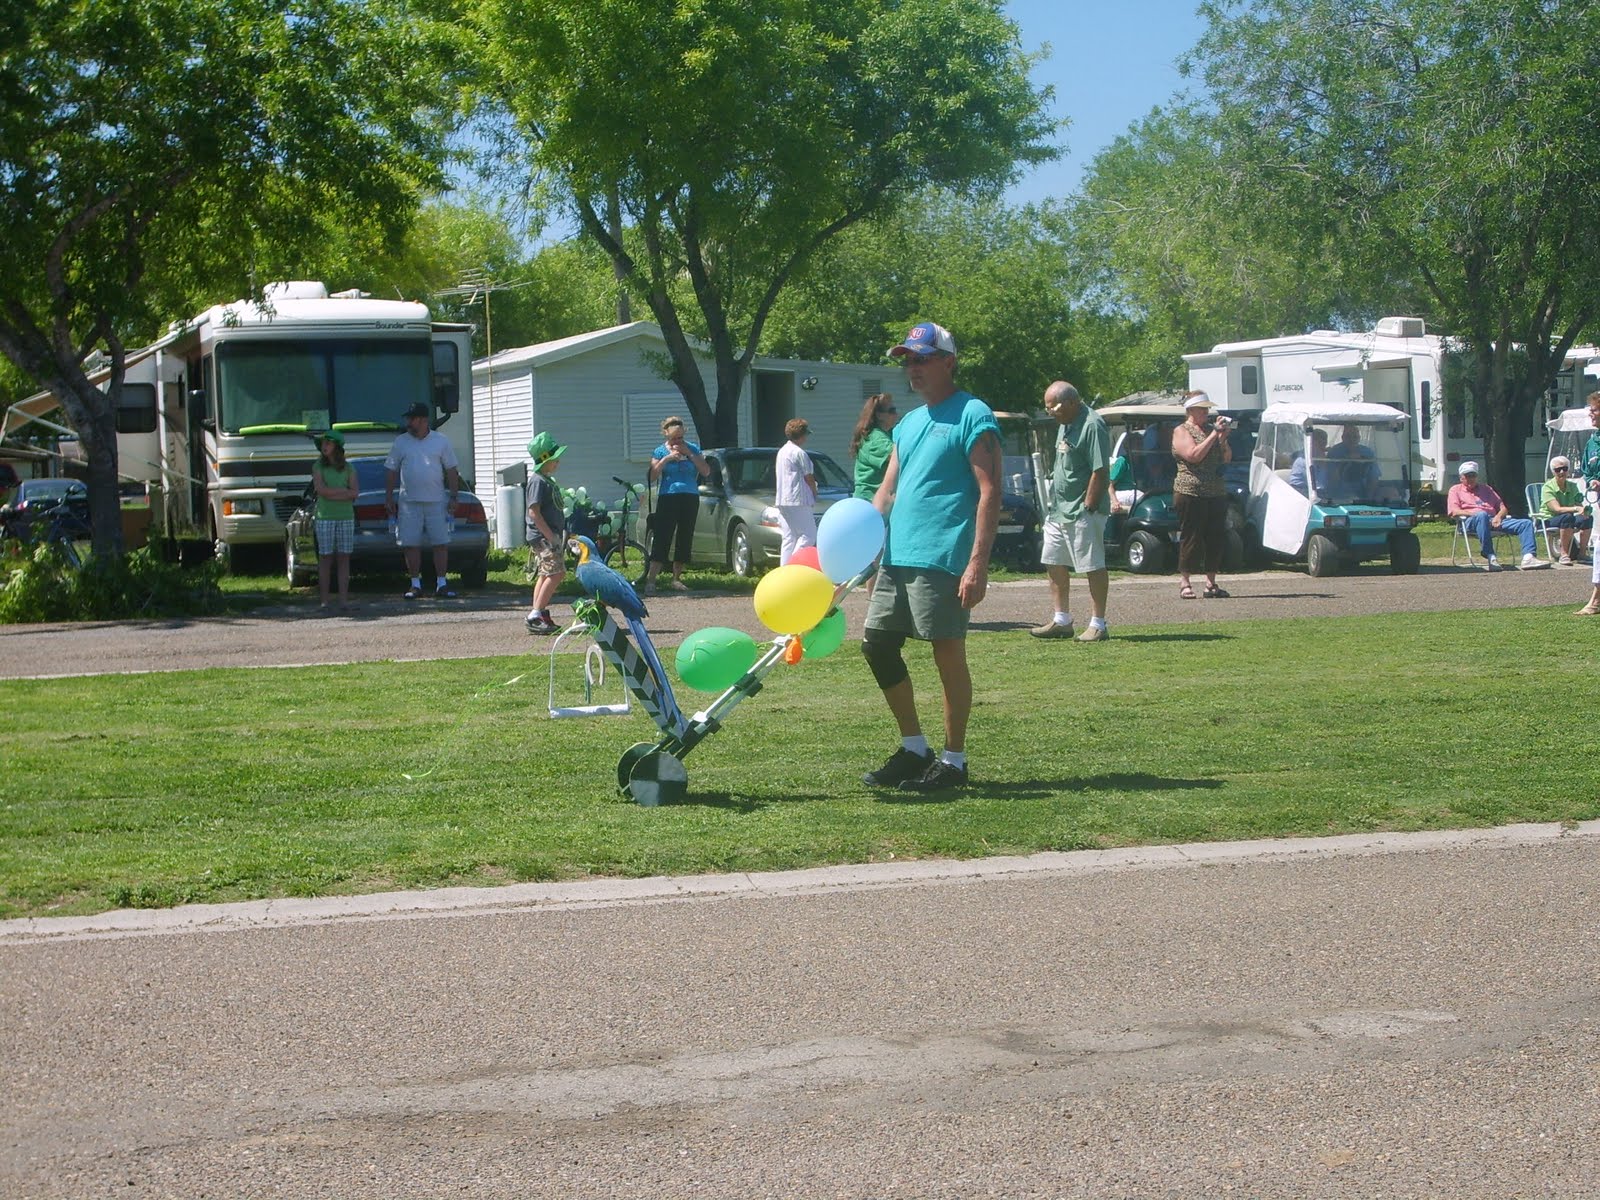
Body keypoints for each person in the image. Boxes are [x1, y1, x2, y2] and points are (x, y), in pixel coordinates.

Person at [861, 320, 1001, 794]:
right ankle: (914, 747)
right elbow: (887, 490)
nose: (913, 368)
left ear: (948, 361)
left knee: (946, 653)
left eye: (922, 359)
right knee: (876, 645)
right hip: (897, 557)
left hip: (943, 555)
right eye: (907, 360)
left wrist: (977, 562)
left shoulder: (973, 414)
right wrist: (864, 548)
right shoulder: (907, 424)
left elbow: (989, 491)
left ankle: (954, 760)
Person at [1030, 381, 1111, 642]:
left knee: (1092, 565)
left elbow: (1100, 470)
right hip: (1059, 510)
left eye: (1054, 406)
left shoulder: (1092, 425)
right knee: (1053, 561)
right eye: (1047, 406)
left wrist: (1088, 506)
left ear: (1072, 402)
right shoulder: (1065, 423)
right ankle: (1061, 620)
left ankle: (1098, 624)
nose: (1051, 411)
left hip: (1083, 510)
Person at [384, 401, 462, 599]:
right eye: (408, 418)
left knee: (441, 543)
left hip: (436, 500)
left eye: (412, 418)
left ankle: (441, 584)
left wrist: (454, 496)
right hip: (409, 502)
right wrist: (389, 497)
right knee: (410, 544)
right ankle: (415, 584)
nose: (408, 422)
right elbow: (391, 470)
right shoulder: (401, 441)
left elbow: (451, 469)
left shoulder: (441, 441)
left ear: (423, 420)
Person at [1171, 392, 1233, 599]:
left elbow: (1226, 459)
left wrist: (1222, 440)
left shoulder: (1209, 430)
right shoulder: (1181, 431)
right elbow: (1193, 456)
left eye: (1207, 409)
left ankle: (1211, 582)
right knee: (1192, 536)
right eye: (1202, 409)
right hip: (1190, 491)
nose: (1206, 413)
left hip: (1215, 491)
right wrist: (1214, 436)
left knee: (1216, 536)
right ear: (1191, 410)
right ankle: (1185, 581)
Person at [644, 415, 709, 593]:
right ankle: (651, 580)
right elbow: (652, 476)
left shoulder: (692, 449)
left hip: (689, 495)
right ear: (666, 435)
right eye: (674, 438)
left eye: (680, 437)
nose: (678, 441)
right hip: (668, 495)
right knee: (662, 536)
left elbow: (705, 470)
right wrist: (667, 459)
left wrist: (689, 454)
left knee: (684, 536)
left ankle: (676, 578)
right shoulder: (659, 451)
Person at [1446, 461, 1544, 571]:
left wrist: (1498, 516)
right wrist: (1475, 514)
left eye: (1473, 475)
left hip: (1492, 520)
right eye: (1467, 476)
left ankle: (1528, 557)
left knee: (1525, 523)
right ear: (1461, 478)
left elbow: (1503, 508)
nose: (1471, 478)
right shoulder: (1455, 490)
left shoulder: (1486, 489)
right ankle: (1490, 555)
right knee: (1482, 515)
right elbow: (1454, 511)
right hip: (1469, 522)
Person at [523, 432, 567, 634]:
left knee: (546, 573)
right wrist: (550, 536)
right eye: (554, 458)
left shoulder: (547, 480)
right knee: (557, 573)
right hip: (544, 537)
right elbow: (534, 512)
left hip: (549, 535)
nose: (558, 462)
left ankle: (539, 611)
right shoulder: (538, 481)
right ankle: (535, 613)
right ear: (544, 460)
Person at [311, 430, 358, 610]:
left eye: (328, 443)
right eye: (323, 443)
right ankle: (324, 600)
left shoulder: (349, 468)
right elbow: (321, 490)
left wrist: (335, 493)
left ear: (337, 447)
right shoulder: (318, 467)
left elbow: (355, 493)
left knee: (344, 558)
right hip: (325, 517)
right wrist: (343, 492)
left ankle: (344, 600)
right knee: (325, 558)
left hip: (345, 516)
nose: (324, 447)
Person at [775, 418, 817, 564]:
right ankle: (793, 564)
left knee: (789, 537)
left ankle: (784, 571)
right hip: (798, 499)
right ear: (802, 435)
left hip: (782, 499)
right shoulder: (799, 453)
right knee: (809, 535)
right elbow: (808, 477)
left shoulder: (782, 451)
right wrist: (814, 491)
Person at [1540, 456, 1592, 566]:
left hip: (1567, 518)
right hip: (1548, 519)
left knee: (1587, 518)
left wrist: (1585, 511)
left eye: (1564, 468)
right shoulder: (1547, 487)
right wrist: (1576, 508)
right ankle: (1563, 555)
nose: (1562, 472)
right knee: (1567, 517)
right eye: (1558, 470)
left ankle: (1582, 554)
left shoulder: (1573, 486)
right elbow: (1556, 509)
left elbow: (1579, 504)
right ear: (1553, 472)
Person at [851, 393, 900, 501]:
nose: (896, 414)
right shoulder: (875, 439)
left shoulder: (887, 434)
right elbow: (900, 456)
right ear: (879, 415)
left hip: (877, 500)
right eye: (892, 411)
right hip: (869, 502)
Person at [1577, 392, 1600, 615]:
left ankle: (1595, 600)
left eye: (1594, 409)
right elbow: (1586, 468)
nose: (1591, 414)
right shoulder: (1593, 442)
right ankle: (1595, 599)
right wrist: (1591, 480)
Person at [1326, 424, 1381, 500]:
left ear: (1359, 438)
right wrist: (1345, 461)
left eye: (1355, 437)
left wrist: (1369, 499)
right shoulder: (1334, 452)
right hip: (1338, 495)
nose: (1351, 440)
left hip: (1362, 494)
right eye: (1348, 436)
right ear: (1342, 438)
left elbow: (1374, 476)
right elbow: (1330, 478)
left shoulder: (1367, 452)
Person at [1287, 429, 1331, 497]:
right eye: (1320, 444)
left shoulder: (1318, 458)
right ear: (1312, 443)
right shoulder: (1304, 460)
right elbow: (1319, 485)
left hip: (1312, 491)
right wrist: (1323, 465)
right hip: (1299, 491)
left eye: (1324, 444)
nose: (1323, 447)